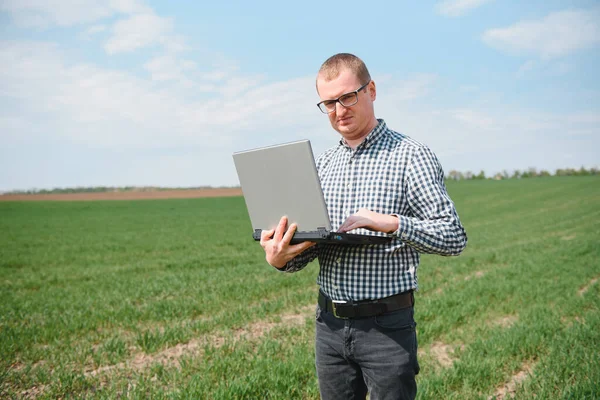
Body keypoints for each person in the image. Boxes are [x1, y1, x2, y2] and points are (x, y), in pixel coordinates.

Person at [259, 53, 467, 400]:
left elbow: (453, 236)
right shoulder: (323, 165)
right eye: (328, 103)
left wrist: (393, 224)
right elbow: (312, 247)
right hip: (329, 326)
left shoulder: (410, 155)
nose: (339, 110)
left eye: (347, 97)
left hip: (386, 328)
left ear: (371, 90)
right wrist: (280, 257)